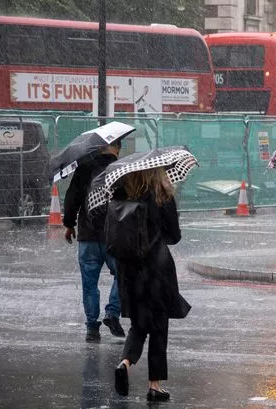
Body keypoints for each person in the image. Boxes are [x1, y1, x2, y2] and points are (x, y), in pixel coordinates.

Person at [113, 166, 190, 401]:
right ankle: (154, 385)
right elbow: (174, 236)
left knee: (139, 323)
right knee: (158, 326)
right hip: (157, 267)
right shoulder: (161, 195)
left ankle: (125, 362)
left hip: (129, 269)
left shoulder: (121, 193)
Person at [63, 141, 125, 342]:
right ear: (116, 148)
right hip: (113, 235)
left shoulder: (84, 169)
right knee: (123, 274)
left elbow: (72, 197)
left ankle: (92, 327)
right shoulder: (121, 169)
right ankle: (112, 312)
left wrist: (69, 224)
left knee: (89, 283)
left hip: (88, 235)